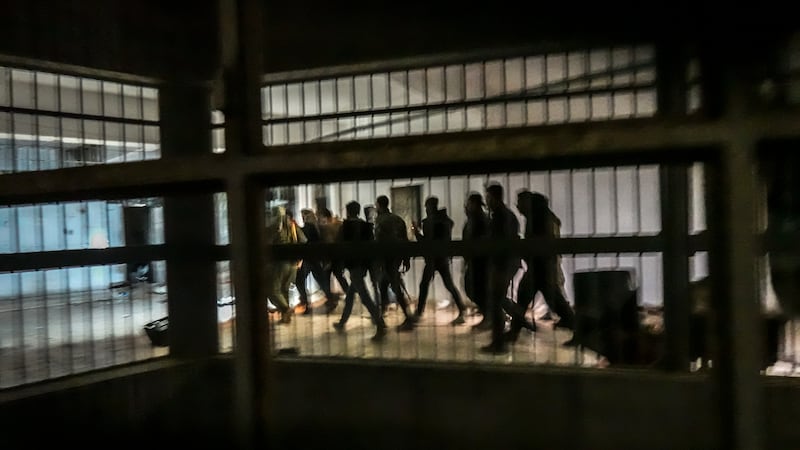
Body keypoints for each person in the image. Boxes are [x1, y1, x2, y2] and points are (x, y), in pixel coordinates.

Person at [507, 190, 575, 344]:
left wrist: (522, 247)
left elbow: (537, 245)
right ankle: (513, 332)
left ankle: (513, 333)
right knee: (531, 301)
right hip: (540, 268)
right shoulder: (540, 217)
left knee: (555, 304)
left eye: (520, 203)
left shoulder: (538, 219)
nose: (518, 206)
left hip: (540, 268)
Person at [333, 201, 387, 341]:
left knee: (364, 296)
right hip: (364, 264)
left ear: (348, 211)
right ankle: (342, 321)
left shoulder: (345, 227)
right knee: (351, 294)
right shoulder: (365, 225)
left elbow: (338, 246)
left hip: (353, 265)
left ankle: (380, 324)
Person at [482, 182, 524, 354]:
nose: (487, 200)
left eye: (488, 197)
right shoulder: (505, 215)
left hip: (502, 263)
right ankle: (500, 339)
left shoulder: (501, 216)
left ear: (494, 197)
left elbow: (499, 242)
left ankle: (498, 343)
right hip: (504, 263)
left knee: (496, 301)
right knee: (497, 301)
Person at [412, 196, 467, 325]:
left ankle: (419, 312)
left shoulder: (430, 222)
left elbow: (426, 242)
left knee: (424, 285)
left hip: (433, 258)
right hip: (442, 257)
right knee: (448, 285)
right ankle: (461, 309)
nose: (426, 209)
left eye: (427, 206)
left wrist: (416, 232)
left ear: (430, 207)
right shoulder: (444, 221)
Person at [374, 194, 417, 331]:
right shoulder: (398, 219)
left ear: (379, 205)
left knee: (394, 287)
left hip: (387, 258)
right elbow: (405, 240)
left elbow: (378, 241)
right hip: (397, 257)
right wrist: (406, 259)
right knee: (385, 285)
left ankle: (406, 318)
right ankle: (382, 316)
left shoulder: (380, 220)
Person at [266, 205, 306, 324]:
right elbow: (303, 241)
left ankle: (286, 309)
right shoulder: (293, 226)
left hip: (279, 264)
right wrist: (301, 259)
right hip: (293, 264)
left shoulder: (274, 228)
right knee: (284, 290)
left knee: (273, 290)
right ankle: (285, 317)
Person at [294, 208, 337, 315]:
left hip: (310, 258)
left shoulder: (309, 227)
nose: (303, 218)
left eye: (304, 215)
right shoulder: (315, 226)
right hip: (315, 258)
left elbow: (304, 238)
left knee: (300, 280)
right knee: (321, 280)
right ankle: (330, 300)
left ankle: (305, 304)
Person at [462, 192, 491, 330]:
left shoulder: (481, 220)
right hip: (475, 260)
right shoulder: (474, 218)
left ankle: (491, 317)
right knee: (473, 289)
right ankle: (490, 316)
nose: (466, 206)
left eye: (469, 203)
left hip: (481, 261)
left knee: (477, 290)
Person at [318, 207, 349, 312]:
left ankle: (331, 301)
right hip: (340, 257)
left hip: (330, 258)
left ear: (324, 217)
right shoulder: (339, 224)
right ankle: (349, 294)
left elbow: (328, 243)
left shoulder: (326, 228)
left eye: (320, 216)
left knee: (325, 280)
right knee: (339, 276)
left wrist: (327, 261)